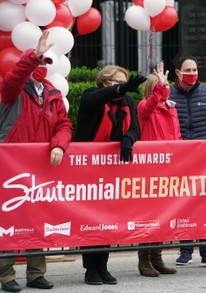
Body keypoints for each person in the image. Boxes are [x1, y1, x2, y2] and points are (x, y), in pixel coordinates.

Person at [0, 31, 72, 292]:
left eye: (45, 64)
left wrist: (59, 146)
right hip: (9, 167)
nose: (41, 68)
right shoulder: (12, 89)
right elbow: (16, 76)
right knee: (6, 221)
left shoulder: (53, 93)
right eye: (38, 63)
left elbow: (64, 125)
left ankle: (36, 273)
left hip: (39, 169)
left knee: (35, 219)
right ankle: (6, 274)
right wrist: (33, 55)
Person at [74, 65, 145, 285]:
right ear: (105, 82)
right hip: (87, 170)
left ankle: (103, 265)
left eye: (124, 83)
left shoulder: (126, 102)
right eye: (117, 82)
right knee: (90, 220)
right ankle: (90, 268)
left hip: (111, 172)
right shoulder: (91, 97)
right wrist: (119, 89)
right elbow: (92, 101)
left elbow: (134, 128)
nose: (122, 87)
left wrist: (127, 139)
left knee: (107, 219)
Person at [169, 55, 206, 267]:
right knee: (184, 203)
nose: (192, 73)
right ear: (178, 72)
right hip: (181, 158)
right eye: (188, 70)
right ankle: (185, 250)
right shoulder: (168, 93)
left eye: (195, 69)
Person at [136, 62, 178, 277]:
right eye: (160, 86)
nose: (164, 88)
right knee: (149, 214)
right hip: (150, 169)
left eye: (166, 84)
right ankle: (144, 259)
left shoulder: (171, 110)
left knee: (162, 214)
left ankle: (156, 256)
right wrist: (160, 89)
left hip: (169, 168)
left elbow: (176, 138)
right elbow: (152, 103)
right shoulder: (145, 107)